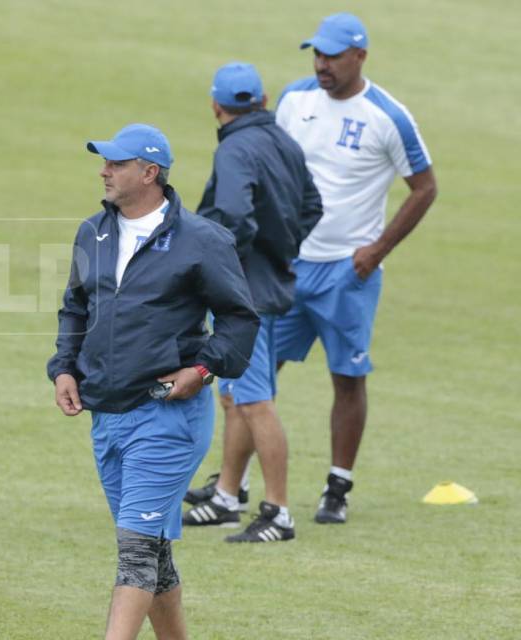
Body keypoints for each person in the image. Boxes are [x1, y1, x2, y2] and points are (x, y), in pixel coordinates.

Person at [47, 123, 259, 640]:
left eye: (116, 164)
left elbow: (239, 319)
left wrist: (203, 370)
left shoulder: (202, 241)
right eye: (105, 162)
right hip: (107, 416)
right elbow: (76, 307)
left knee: (135, 552)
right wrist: (65, 368)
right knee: (155, 553)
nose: (104, 171)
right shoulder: (92, 232)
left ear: (150, 173)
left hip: (168, 417)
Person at [273, 13, 439, 523]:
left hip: (349, 272)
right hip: (289, 267)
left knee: (347, 377)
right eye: (316, 55)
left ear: (359, 56)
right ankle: (232, 484)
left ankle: (337, 487)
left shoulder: (387, 116)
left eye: (332, 56)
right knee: (254, 373)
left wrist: (378, 249)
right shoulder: (294, 100)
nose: (321, 65)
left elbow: (425, 187)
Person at [179, 62, 322, 543]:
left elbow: (236, 214)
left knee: (257, 401)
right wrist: (280, 250)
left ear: (216, 106)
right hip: (273, 283)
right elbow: (312, 206)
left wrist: (223, 266)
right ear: (261, 101)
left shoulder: (236, 148)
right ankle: (225, 495)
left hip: (245, 292)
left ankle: (278, 512)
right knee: (235, 395)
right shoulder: (284, 141)